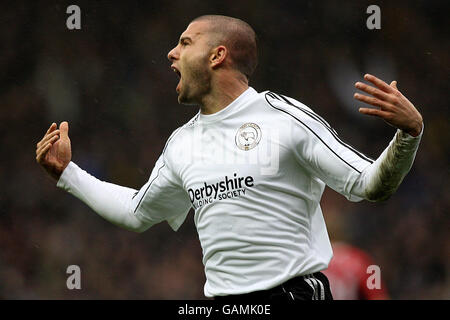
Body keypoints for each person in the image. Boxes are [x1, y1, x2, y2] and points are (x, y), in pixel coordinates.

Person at [35, 15, 423, 301]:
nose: (171, 53)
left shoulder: (283, 118)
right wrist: (68, 173)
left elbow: (369, 185)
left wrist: (409, 133)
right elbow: (137, 213)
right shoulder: (181, 144)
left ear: (217, 55)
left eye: (186, 43)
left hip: (291, 295)